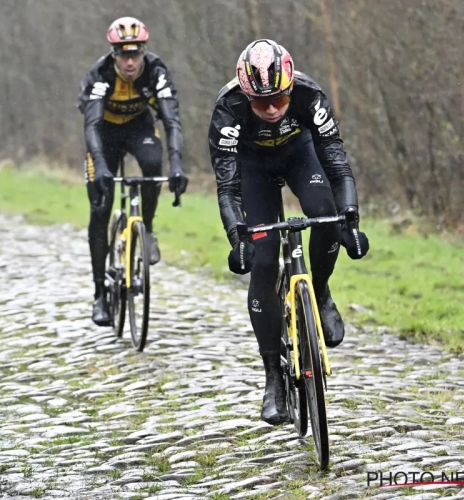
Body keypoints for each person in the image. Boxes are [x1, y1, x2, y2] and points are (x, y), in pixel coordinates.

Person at [207, 39, 370, 424]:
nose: (270, 109)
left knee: (325, 216)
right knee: (263, 263)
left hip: (300, 154)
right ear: (245, 94)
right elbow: (228, 188)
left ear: (290, 85)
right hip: (252, 169)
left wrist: (351, 219)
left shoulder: (310, 95)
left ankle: (323, 292)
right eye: (259, 102)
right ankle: (273, 378)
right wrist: (237, 238)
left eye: (278, 98)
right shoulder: (227, 109)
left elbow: (338, 166)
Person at [77, 16, 189, 326]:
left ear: (143, 53)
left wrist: (178, 162)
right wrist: (100, 164)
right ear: (114, 55)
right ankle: (100, 293)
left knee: (154, 164)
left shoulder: (156, 71)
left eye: (135, 54)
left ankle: (148, 228)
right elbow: (92, 125)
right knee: (100, 208)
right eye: (124, 55)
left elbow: (171, 121)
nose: (130, 61)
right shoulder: (99, 75)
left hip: (139, 127)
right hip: (104, 136)